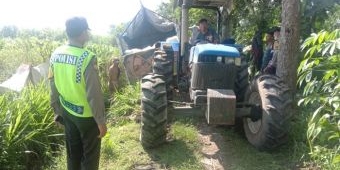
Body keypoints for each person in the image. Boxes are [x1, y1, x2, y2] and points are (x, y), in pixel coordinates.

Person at [49, 16, 107, 170]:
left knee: (73, 154)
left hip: (67, 112)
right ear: (83, 33)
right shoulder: (87, 57)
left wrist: (56, 111)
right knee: (90, 158)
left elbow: (52, 86)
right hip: (87, 118)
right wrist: (100, 121)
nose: (88, 33)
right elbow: (93, 94)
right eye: (87, 30)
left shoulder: (56, 54)